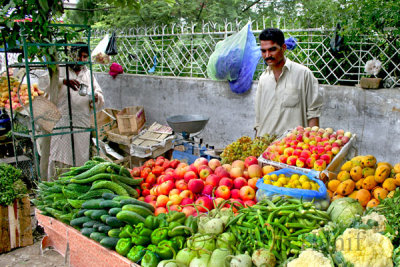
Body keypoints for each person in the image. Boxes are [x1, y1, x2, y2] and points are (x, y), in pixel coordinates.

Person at [39, 43, 104, 178]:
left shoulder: (87, 73)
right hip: (61, 123)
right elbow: (42, 83)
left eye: (84, 57)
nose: (81, 60)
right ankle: (57, 188)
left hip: (81, 123)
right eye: (78, 56)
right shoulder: (60, 69)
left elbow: (98, 94)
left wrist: (96, 97)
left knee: (80, 160)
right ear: (71, 56)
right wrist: (62, 81)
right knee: (60, 160)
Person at [254, 28, 323, 137]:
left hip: (293, 147)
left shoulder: (303, 74)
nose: (267, 55)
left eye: (272, 50)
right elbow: (259, 119)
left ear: (283, 48)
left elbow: (313, 115)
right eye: (263, 51)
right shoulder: (263, 78)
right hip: (266, 147)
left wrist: (312, 145)